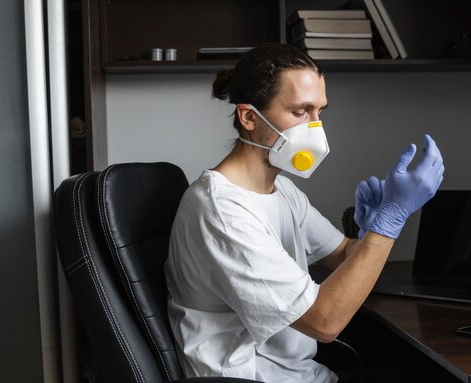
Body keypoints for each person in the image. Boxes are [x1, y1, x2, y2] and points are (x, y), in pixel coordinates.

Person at [164, 42, 445, 383]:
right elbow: (324, 322)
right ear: (249, 117)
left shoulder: (281, 190)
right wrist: (390, 221)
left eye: (319, 112)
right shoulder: (221, 210)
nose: (315, 128)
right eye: (300, 112)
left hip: (305, 375)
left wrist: (368, 231)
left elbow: (343, 256)